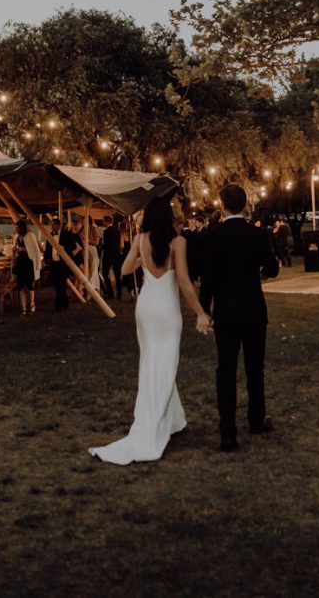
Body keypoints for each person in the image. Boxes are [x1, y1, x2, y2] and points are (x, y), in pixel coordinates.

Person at [89, 196, 211, 465]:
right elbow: (183, 280)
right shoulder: (178, 242)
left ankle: (174, 419)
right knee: (165, 364)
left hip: (145, 309)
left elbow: (123, 270)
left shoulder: (139, 240)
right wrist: (201, 312)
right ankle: (151, 425)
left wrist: (140, 263)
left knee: (152, 362)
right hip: (166, 311)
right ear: (168, 218)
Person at [198, 184, 280, 452]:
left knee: (226, 370)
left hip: (226, 312)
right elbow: (272, 268)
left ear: (223, 205)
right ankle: (256, 420)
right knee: (255, 367)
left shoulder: (213, 236)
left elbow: (207, 279)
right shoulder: (257, 235)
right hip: (254, 310)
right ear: (244, 205)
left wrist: (204, 310)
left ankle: (228, 433)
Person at [12, 219, 42, 315]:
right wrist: (15, 249)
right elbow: (15, 250)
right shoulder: (17, 237)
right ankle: (24, 308)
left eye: (18, 228)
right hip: (20, 263)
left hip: (28, 263)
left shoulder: (30, 236)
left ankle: (32, 304)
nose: (16, 229)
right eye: (15, 228)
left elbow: (35, 250)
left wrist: (23, 249)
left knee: (30, 286)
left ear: (22, 228)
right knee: (20, 286)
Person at [99, 215, 123, 299]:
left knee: (105, 274)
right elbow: (118, 243)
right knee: (117, 275)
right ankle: (119, 294)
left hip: (108, 256)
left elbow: (107, 245)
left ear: (107, 221)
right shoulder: (117, 231)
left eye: (103, 221)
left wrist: (100, 246)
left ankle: (110, 293)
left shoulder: (106, 232)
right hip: (116, 255)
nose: (102, 222)